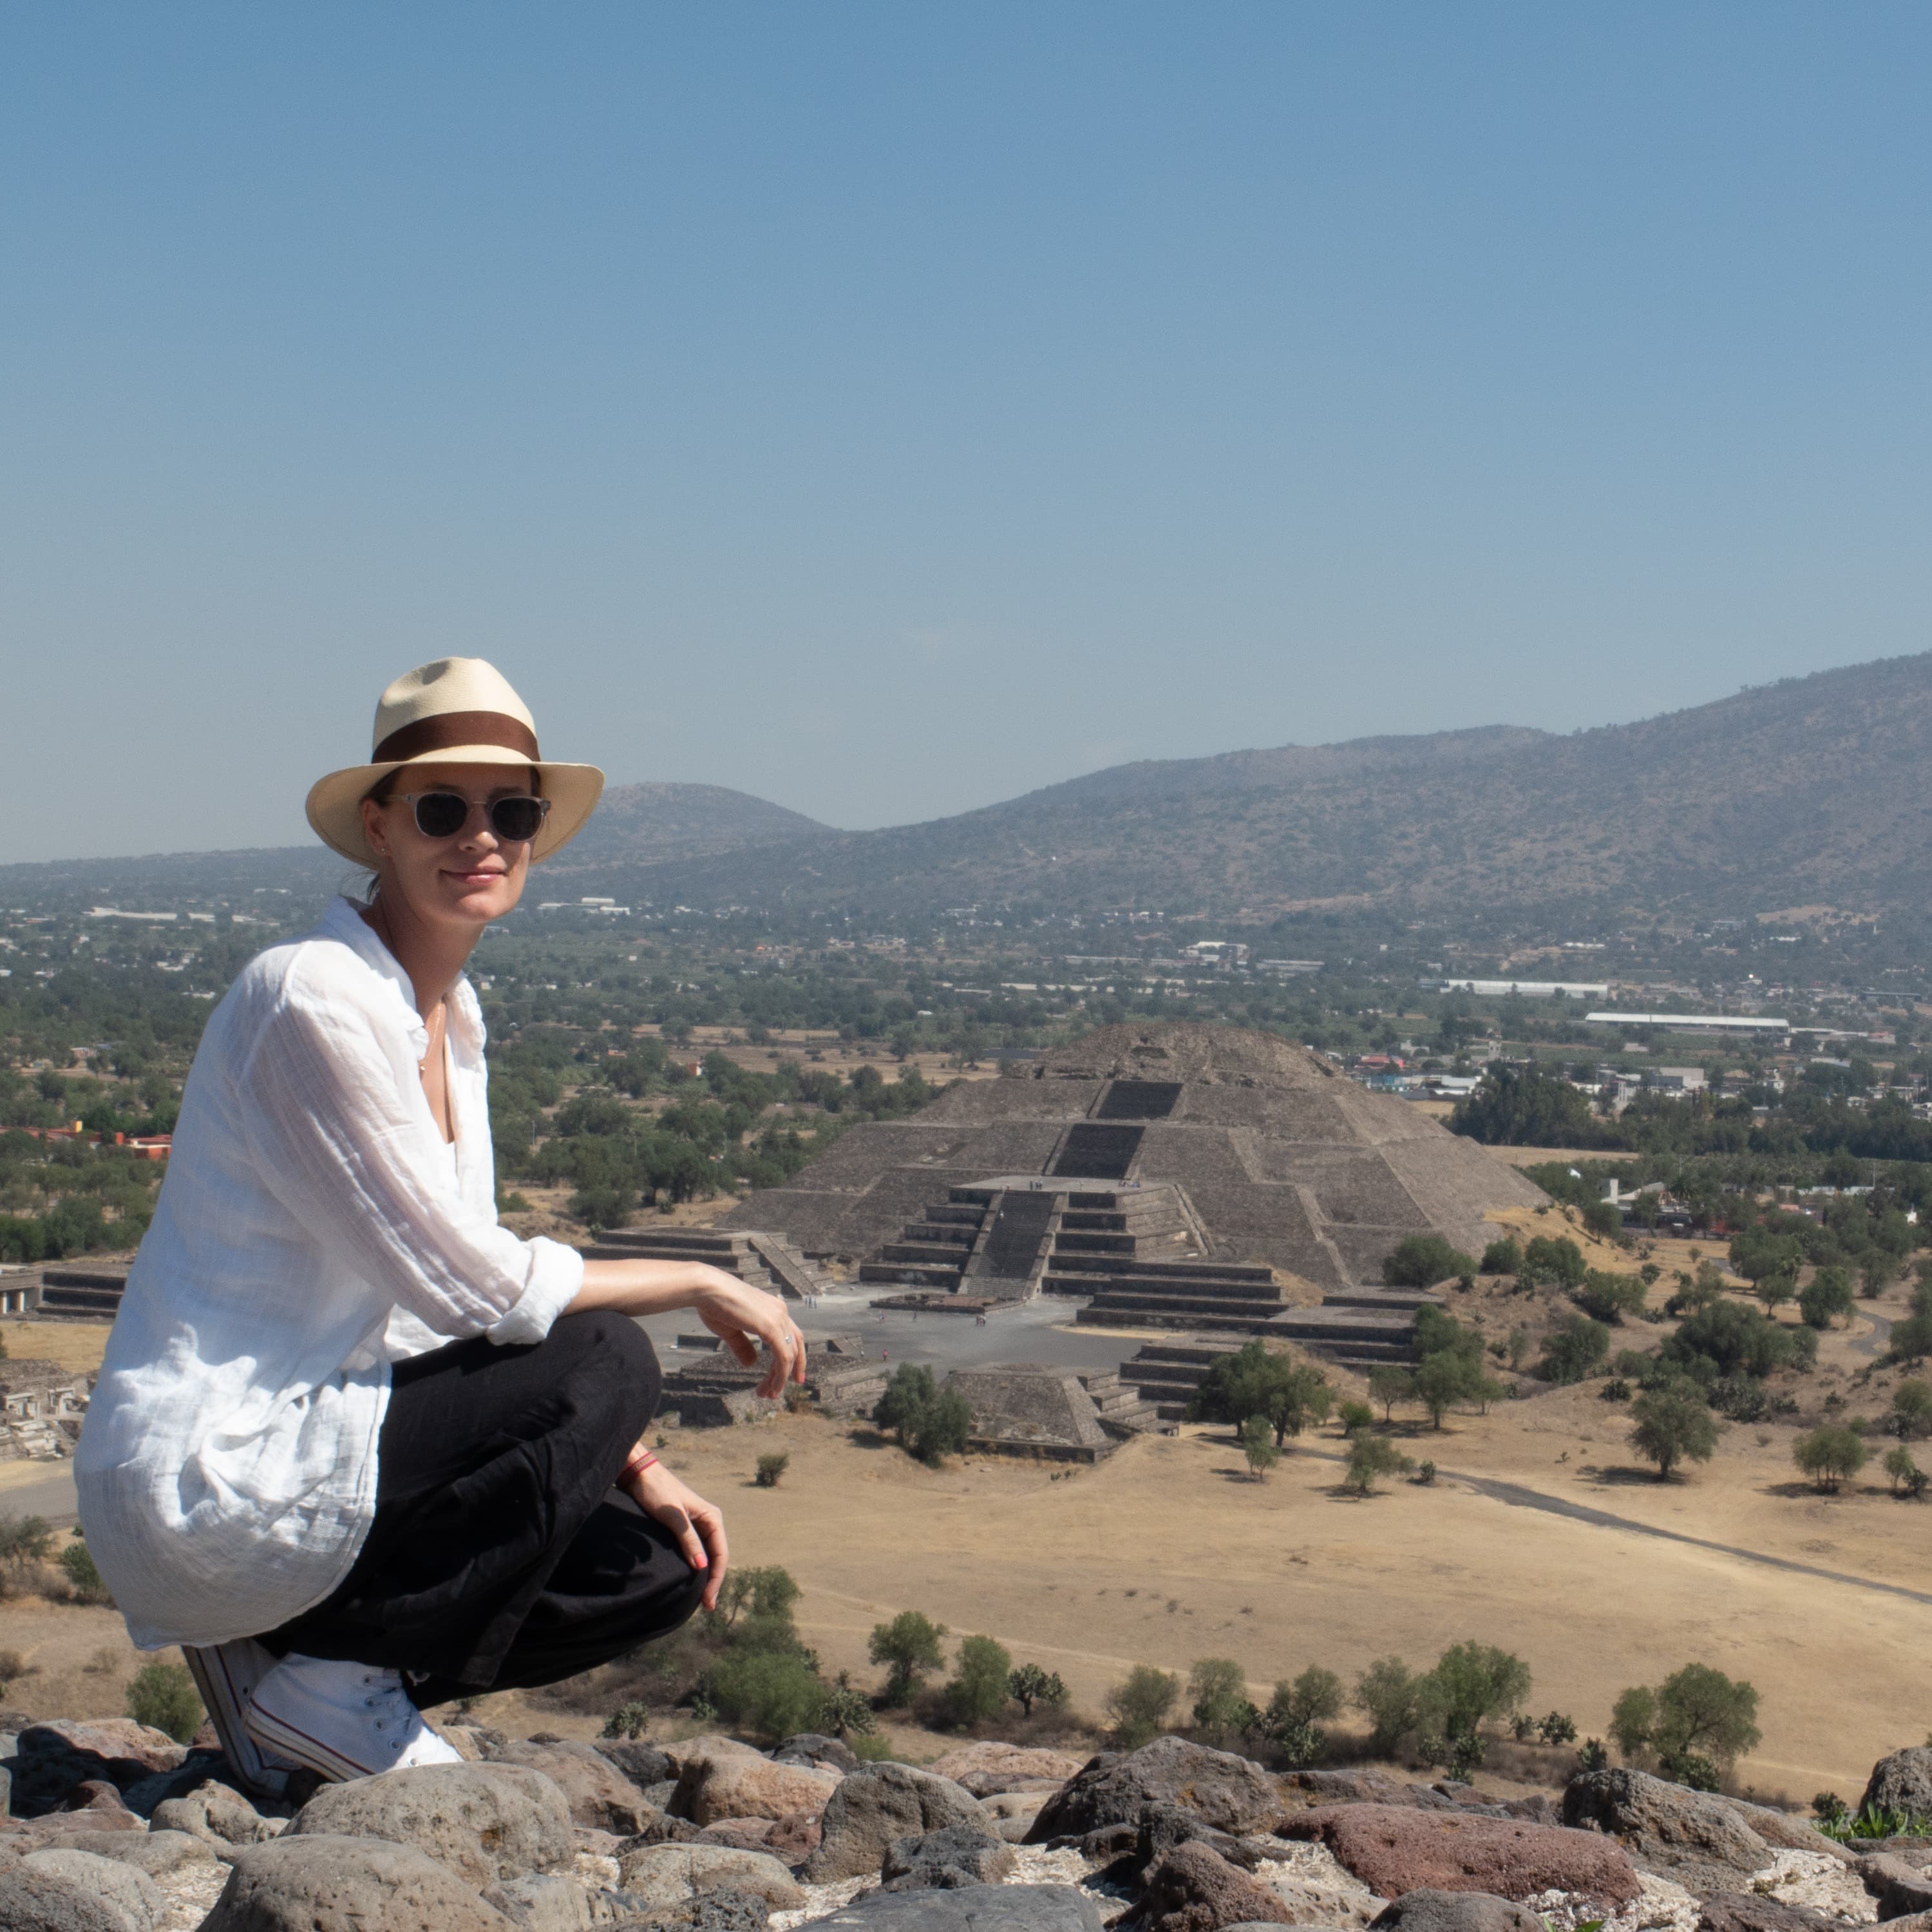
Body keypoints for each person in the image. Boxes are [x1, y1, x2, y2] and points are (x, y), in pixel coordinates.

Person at [76, 658, 806, 1792]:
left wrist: (639, 1464)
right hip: (213, 1474)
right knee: (610, 1351)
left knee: (654, 1565)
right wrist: (698, 1279)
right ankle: (318, 1688)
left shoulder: (448, 1019)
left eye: (511, 811)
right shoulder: (311, 995)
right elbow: (473, 1290)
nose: (482, 837)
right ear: (377, 825)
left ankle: (301, 1672)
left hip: (332, 1433)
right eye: (441, 809)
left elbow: (446, 1323)